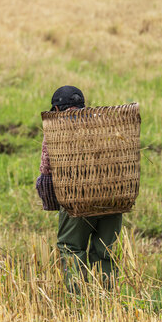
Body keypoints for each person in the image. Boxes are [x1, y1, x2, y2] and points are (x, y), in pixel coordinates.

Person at [36, 86, 122, 290]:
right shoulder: (105, 122)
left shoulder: (56, 128)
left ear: (56, 110)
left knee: (71, 248)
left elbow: (46, 175)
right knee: (105, 251)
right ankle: (107, 298)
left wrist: (54, 204)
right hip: (113, 197)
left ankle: (78, 300)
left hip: (77, 199)